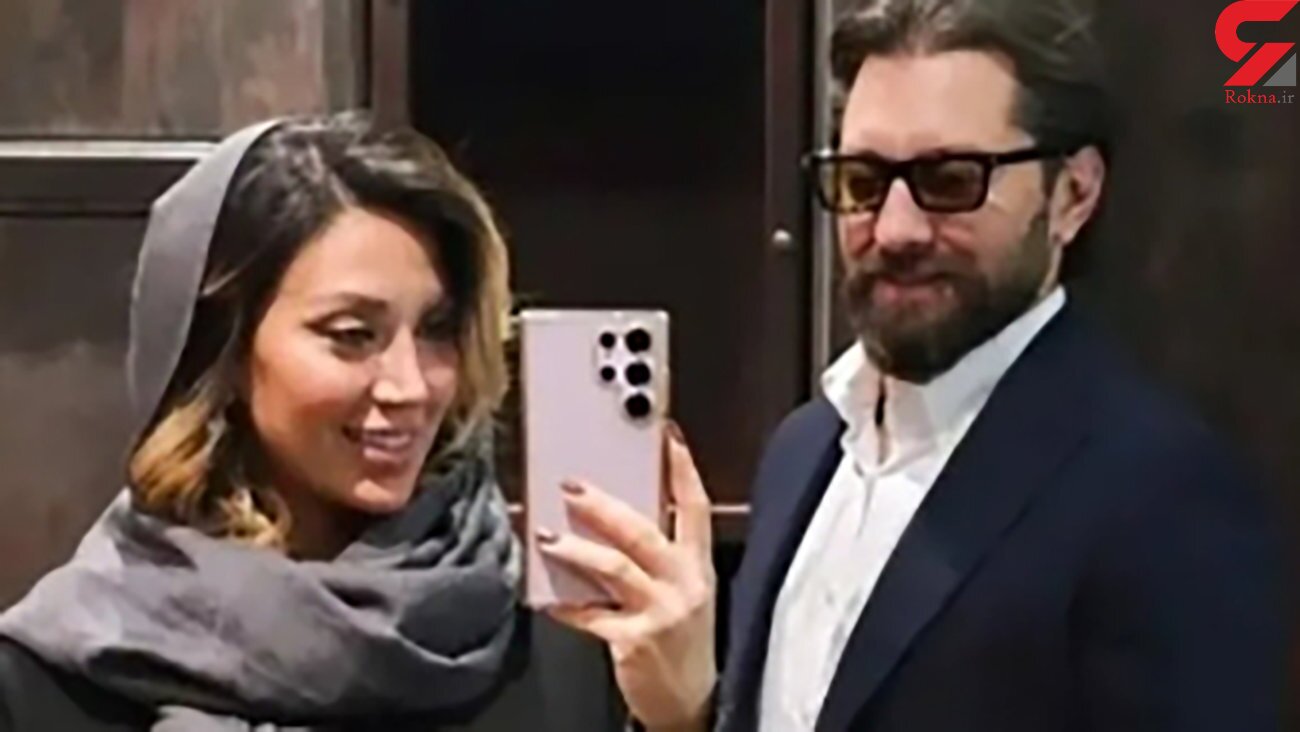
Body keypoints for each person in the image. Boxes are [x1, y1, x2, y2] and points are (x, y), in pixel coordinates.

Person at [543, 0, 1289, 730]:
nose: (896, 229)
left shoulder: (1160, 494)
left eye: (952, 179)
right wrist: (687, 714)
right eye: (864, 182)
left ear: (1072, 194)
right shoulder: (803, 453)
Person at [0, 112, 620, 731]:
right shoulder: (53, 680)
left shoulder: (559, 649)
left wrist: (670, 713)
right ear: (225, 348)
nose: (411, 386)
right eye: (352, 335)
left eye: (437, 329)